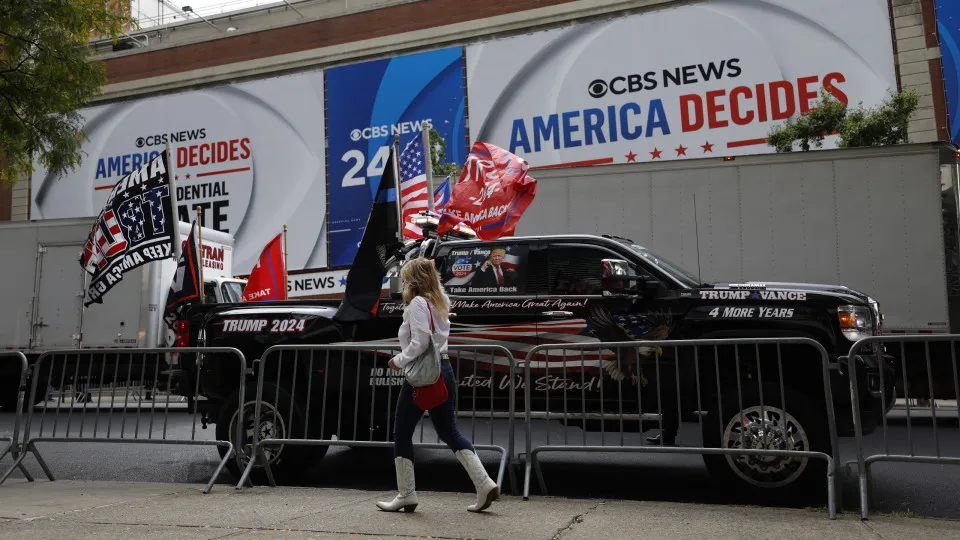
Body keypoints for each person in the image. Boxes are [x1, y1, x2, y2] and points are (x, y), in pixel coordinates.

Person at [376, 258, 500, 513]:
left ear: (413, 280)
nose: (402, 282)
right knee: (449, 432)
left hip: (423, 374)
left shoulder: (417, 304)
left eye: (405, 277)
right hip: (443, 369)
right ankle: (484, 483)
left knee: (402, 432)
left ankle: (406, 494)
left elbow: (420, 342)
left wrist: (398, 360)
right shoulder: (437, 301)